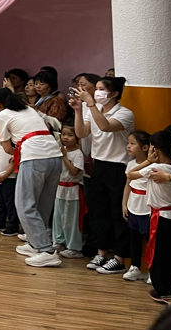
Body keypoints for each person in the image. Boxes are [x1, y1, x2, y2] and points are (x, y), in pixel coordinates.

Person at [0, 87, 63, 268]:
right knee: (43, 204)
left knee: (24, 204)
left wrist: (17, 151)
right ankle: (35, 243)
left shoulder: (2, 115)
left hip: (34, 157)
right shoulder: (29, 109)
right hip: (55, 156)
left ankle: (46, 250)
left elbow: (7, 148)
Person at [71, 75, 134, 275]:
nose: (96, 92)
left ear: (114, 93)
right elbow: (81, 133)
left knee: (118, 213)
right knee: (100, 212)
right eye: (96, 88)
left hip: (118, 167)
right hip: (99, 165)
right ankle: (102, 252)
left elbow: (106, 127)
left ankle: (119, 257)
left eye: (101, 89)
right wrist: (78, 111)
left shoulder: (124, 113)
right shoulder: (93, 110)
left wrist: (90, 105)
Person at [127, 130, 171, 304]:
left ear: (155, 150)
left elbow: (130, 174)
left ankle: (163, 290)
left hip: (161, 217)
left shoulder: (154, 169)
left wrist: (148, 161)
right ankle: (170, 286)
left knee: (159, 255)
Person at [123, 130, 152, 283]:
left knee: (150, 240)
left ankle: (153, 270)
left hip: (147, 207)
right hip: (133, 205)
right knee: (134, 238)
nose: (128, 146)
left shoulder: (153, 166)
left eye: (132, 143)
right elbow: (128, 185)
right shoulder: (130, 164)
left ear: (145, 147)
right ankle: (135, 267)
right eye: (128, 143)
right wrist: (124, 203)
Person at [53, 125, 85, 258]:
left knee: (70, 219)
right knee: (58, 217)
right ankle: (59, 241)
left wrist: (64, 157)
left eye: (70, 135)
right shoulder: (60, 150)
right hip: (60, 188)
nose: (65, 137)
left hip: (72, 190)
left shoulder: (78, 154)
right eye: (63, 134)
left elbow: (74, 171)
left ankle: (74, 247)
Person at [0, 129, 19, 236]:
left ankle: (13, 225)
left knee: (10, 203)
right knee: (0, 202)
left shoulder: (13, 146)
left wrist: (4, 176)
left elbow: (14, 163)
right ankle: (0, 222)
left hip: (9, 178)